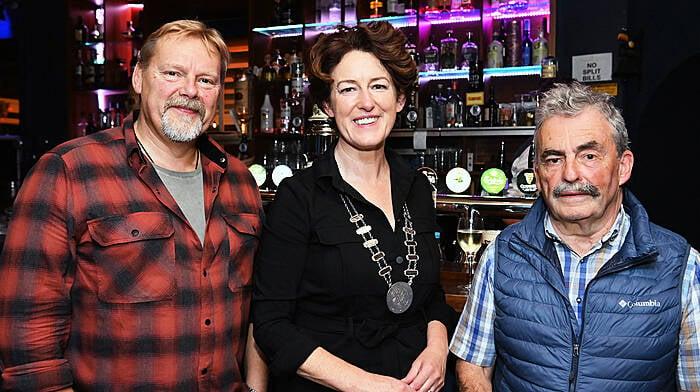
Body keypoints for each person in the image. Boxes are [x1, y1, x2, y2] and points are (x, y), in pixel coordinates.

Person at [0, 19, 267, 391]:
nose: (190, 91)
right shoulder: (69, 172)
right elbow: (28, 336)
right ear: (139, 79)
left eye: (206, 80)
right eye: (173, 73)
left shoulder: (240, 182)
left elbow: (260, 312)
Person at [450, 81, 700, 391]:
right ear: (538, 175)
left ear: (623, 167)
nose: (570, 174)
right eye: (553, 159)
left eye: (589, 156)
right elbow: (474, 366)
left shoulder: (680, 265)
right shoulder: (502, 254)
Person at [252, 21, 456, 392]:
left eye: (379, 86)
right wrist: (366, 385)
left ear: (399, 99)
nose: (367, 102)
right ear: (328, 105)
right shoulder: (299, 198)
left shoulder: (417, 189)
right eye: (349, 89)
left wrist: (438, 349)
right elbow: (271, 324)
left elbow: (431, 296)